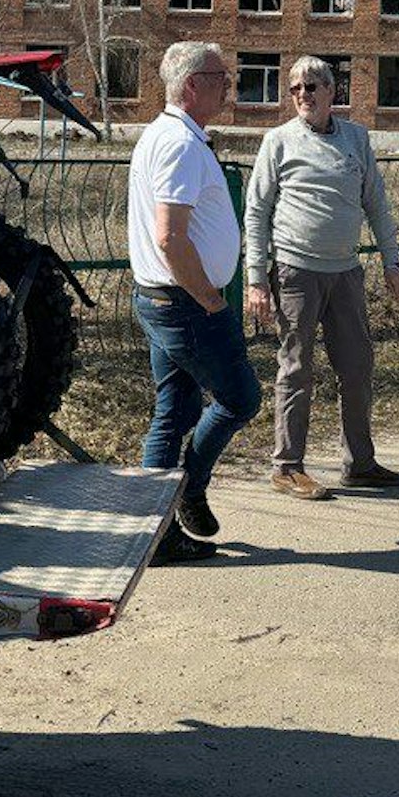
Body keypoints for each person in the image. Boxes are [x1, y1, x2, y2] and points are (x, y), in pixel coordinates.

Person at [244, 56, 399, 501]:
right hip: (296, 272)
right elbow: (257, 211)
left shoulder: (356, 138)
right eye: (295, 87)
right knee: (297, 369)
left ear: (333, 91)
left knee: (357, 367)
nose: (303, 94)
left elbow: (375, 204)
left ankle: (360, 463)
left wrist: (391, 263)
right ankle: (287, 466)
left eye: (312, 86)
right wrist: (256, 279)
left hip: (346, 272)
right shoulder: (278, 141)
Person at [128, 41, 261, 563]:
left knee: (176, 409)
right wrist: (209, 298)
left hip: (165, 299)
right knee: (239, 399)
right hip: (186, 303)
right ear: (190, 85)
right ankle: (188, 490)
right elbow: (170, 237)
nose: (229, 83)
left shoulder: (173, 136)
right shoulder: (179, 144)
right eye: (219, 77)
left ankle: (152, 532)